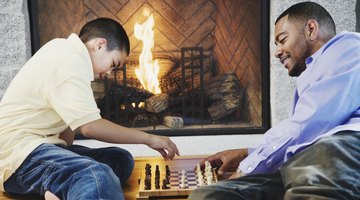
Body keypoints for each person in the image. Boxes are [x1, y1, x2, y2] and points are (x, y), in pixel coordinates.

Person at [189, 2, 360, 199]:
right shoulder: (313, 73)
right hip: (301, 164)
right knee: (210, 195)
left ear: (311, 29)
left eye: (282, 40)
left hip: (338, 153)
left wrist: (248, 167)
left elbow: (308, 125)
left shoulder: (349, 47)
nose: (277, 51)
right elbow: (304, 139)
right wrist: (248, 153)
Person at [0, 18, 179, 200]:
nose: (110, 73)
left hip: (43, 147)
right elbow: (90, 127)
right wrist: (149, 138)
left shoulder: (68, 54)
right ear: (100, 45)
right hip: (19, 158)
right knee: (95, 175)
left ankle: (54, 192)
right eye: (113, 64)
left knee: (120, 160)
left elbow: (66, 141)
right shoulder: (69, 59)